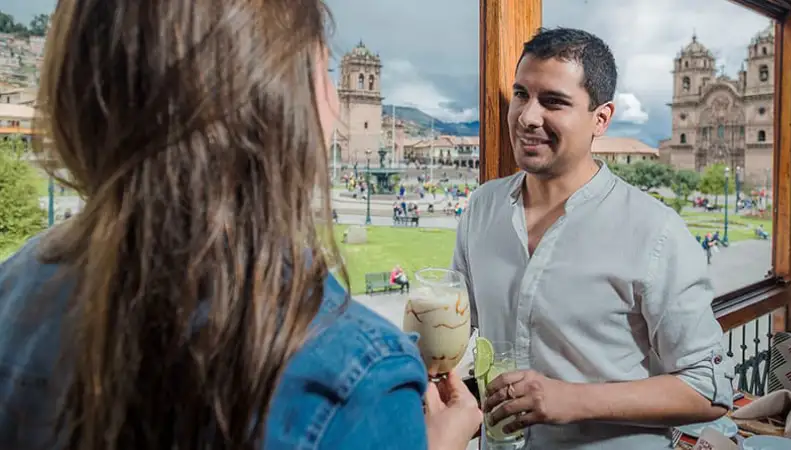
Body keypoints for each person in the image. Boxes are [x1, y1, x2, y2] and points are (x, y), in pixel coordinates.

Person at [0, 1, 481, 450]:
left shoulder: (14, 288)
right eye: (323, 71)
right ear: (283, 102)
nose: (336, 100)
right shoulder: (360, 375)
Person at [452, 28, 734, 449]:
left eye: (553, 101)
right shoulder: (482, 207)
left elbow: (709, 388)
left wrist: (573, 400)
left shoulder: (654, 230)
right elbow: (458, 328)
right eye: (521, 95)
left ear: (600, 119)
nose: (527, 116)